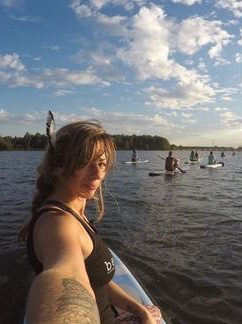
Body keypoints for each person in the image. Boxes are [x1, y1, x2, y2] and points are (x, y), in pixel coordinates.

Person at [19, 120, 159, 324]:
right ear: (58, 167)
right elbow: (66, 273)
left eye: (101, 163)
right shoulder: (58, 223)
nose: (98, 173)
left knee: (152, 312)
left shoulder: (77, 214)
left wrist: (138, 309)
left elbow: (96, 279)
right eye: (85, 162)